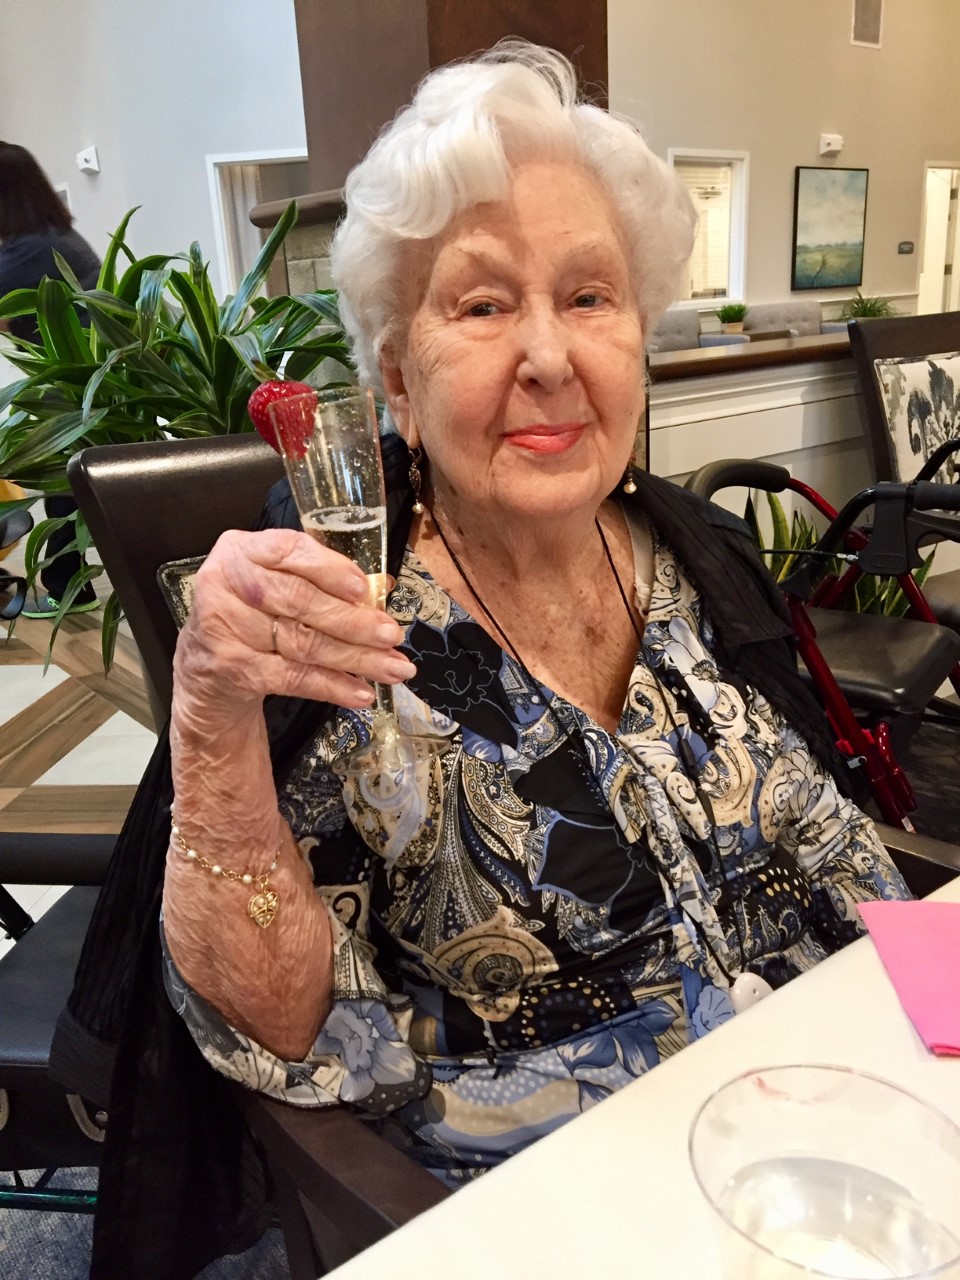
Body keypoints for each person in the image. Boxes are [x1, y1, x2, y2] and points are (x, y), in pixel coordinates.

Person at [52, 41, 910, 1278]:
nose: (550, 355)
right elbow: (280, 1029)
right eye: (484, 304)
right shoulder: (339, 632)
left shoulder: (699, 556)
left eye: (591, 296)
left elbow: (843, 852)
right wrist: (209, 715)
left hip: (831, 1138)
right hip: (569, 1216)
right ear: (399, 379)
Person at [0, 141, 102, 618]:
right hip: (91, 379)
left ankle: (70, 587)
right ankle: (72, 587)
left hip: (77, 380)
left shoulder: (29, 249)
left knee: (64, 483)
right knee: (68, 485)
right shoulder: (55, 236)